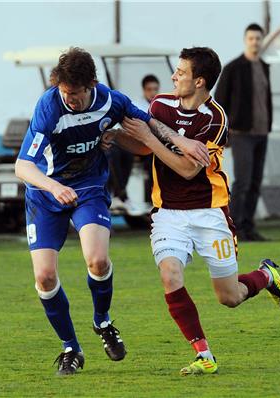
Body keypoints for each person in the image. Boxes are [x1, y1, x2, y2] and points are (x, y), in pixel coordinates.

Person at [14, 47, 209, 376]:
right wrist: (53, 187)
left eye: (74, 95)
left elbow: (149, 123)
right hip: (44, 194)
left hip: (89, 188)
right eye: (65, 93)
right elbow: (22, 166)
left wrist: (182, 141)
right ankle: (71, 348)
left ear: (91, 84)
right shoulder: (49, 106)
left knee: (98, 259)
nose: (70, 100)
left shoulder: (111, 101)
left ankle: (102, 321)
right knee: (45, 277)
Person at [110, 46, 280, 375]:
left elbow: (187, 169)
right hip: (168, 212)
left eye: (181, 72)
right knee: (169, 275)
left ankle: (265, 275)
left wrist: (149, 139)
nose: (174, 76)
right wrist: (114, 136)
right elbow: (143, 144)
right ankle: (204, 355)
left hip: (209, 213)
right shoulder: (160, 105)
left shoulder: (216, 118)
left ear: (200, 81)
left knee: (229, 297)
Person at [215, 23, 272, 242]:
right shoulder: (233, 68)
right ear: (245, 40)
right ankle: (234, 227)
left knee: (256, 181)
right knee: (243, 181)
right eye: (251, 38)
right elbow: (219, 101)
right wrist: (224, 132)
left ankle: (249, 226)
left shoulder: (265, 67)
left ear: (262, 40)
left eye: (258, 38)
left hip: (262, 132)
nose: (255, 42)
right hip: (241, 133)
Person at [108, 74, 161, 214]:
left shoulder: (162, 106)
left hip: (153, 145)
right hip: (140, 144)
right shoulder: (136, 106)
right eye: (149, 89)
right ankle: (120, 195)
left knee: (157, 156)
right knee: (121, 153)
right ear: (144, 90)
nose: (153, 92)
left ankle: (155, 200)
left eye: (155, 89)